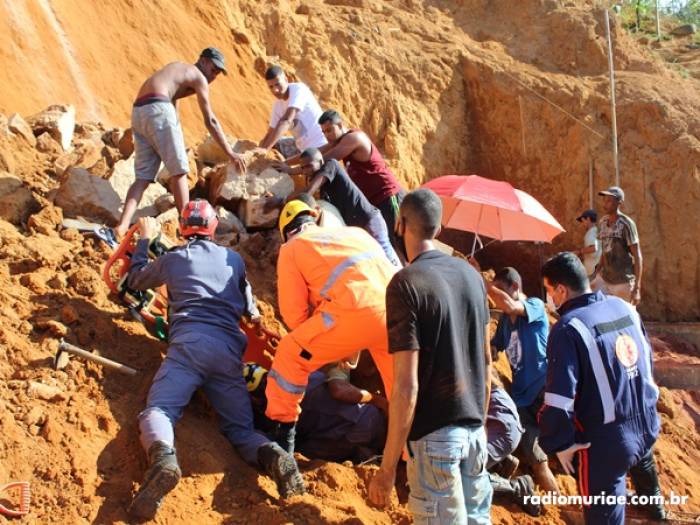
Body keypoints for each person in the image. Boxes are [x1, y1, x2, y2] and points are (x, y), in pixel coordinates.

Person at [126, 199, 304, 519]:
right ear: (212, 228)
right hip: (228, 356)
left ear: (182, 228)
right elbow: (250, 312)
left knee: (159, 410)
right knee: (240, 431)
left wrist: (143, 241)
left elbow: (135, 281)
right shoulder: (233, 260)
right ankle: (275, 455)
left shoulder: (174, 258)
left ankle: (164, 460)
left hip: (189, 347)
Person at [368, 188, 493, 524]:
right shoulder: (472, 277)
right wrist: (478, 425)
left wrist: (387, 469)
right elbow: (487, 362)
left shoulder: (405, 284)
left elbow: (406, 387)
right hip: (474, 435)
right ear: (438, 230)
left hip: (435, 440)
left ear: (399, 224)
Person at [264, 198, 397, 456]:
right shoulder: (357, 234)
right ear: (315, 216)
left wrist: (328, 349)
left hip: (353, 312)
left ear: (286, 233)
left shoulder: (292, 248)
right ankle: (411, 462)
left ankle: (282, 440)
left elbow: (295, 317)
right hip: (397, 314)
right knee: (401, 390)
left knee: (290, 354)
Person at [540, 252, 661, 524]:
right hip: (647, 425)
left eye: (549, 291)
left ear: (561, 289)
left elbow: (559, 400)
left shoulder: (568, 328)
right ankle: (657, 511)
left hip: (607, 443)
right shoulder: (625, 308)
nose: (550, 299)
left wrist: (561, 442)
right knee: (645, 488)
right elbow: (646, 364)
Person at [114, 48, 246, 239]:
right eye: (213, 68)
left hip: (139, 111)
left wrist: (174, 133)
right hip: (159, 108)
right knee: (179, 172)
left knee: (142, 178)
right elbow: (210, 120)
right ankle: (190, 229)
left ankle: (122, 226)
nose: (214, 74)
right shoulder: (198, 76)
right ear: (202, 60)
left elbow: (172, 103)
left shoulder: (178, 68)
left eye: (218, 72)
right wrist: (230, 153)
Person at [275, 109, 405, 250]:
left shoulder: (353, 138)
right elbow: (317, 152)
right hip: (375, 202)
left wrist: (291, 170)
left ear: (341, 125)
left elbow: (319, 161)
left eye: (329, 130)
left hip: (389, 196)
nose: (327, 135)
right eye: (324, 132)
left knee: (397, 244)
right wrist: (286, 162)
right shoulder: (339, 140)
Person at [486, 266, 559, 494]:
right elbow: (496, 343)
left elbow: (510, 305)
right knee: (536, 458)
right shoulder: (506, 322)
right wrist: (492, 348)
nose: (495, 298)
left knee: (559, 452)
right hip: (521, 402)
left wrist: (482, 282)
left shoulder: (535, 305)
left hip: (544, 391)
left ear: (515, 287)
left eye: (500, 291)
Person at [245, 363, 387, 463]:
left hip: (356, 429)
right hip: (369, 415)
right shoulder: (302, 375)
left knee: (303, 452)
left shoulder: (275, 409)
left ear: (255, 399)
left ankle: (364, 455)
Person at [300, 149, 401, 266]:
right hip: (359, 229)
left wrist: (281, 201)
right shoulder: (325, 190)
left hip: (369, 221)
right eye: (302, 168)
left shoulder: (331, 165)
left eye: (309, 166)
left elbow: (308, 193)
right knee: (378, 265)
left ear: (321, 161)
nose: (305, 171)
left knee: (390, 262)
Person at [486, 382, 541, 517]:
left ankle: (517, 488)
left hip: (501, 428)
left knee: (455, 475)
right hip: (502, 423)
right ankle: (500, 465)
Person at [258, 65, 326, 158]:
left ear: (286, 80)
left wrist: (265, 150)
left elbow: (286, 120)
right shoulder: (277, 105)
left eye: (278, 84)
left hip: (321, 144)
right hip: (302, 148)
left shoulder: (299, 90)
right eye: (271, 87)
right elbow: (271, 132)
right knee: (273, 144)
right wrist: (258, 150)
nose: (275, 90)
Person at [591, 186, 643, 305]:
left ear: (619, 202)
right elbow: (605, 250)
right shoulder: (603, 222)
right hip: (605, 279)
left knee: (625, 319)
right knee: (595, 305)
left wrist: (637, 288)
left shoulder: (627, 224)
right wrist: (597, 272)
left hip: (623, 281)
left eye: (609, 200)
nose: (605, 203)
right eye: (604, 200)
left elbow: (637, 256)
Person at [574, 208, 601, 278]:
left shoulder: (590, 233)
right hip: (596, 269)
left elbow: (594, 248)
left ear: (588, 219)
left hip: (591, 271)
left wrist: (579, 252)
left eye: (583, 221)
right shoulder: (597, 231)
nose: (582, 224)